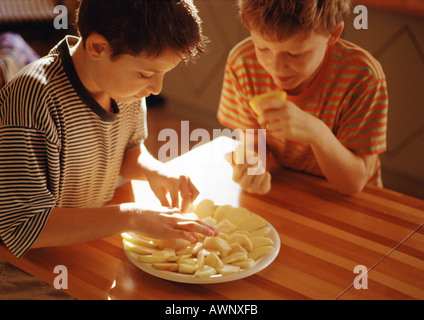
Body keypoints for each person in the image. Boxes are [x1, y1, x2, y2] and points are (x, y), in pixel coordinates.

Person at [0, 0, 218, 298]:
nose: (156, 88)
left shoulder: (124, 87)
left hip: (85, 245)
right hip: (24, 270)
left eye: (162, 74)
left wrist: (157, 171)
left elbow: (128, 151)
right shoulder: (34, 99)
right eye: (146, 74)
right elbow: (23, 224)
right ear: (98, 48)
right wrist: (132, 216)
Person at [217, 0, 388, 196]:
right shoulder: (243, 62)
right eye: (262, 48)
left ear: (333, 34)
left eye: (294, 53)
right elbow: (255, 143)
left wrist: (316, 133)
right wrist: (252, 167)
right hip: (290, 188)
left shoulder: (363, 78)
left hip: (357, 202)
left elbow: (354, 184)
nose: (276, 66)